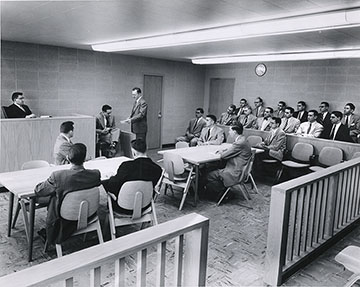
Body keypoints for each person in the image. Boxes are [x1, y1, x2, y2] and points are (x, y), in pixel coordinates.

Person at [35, 143, 101, 245]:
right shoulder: (95, 175)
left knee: (52, 197)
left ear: (68, 158)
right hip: (89, 215)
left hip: (64, 219)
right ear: (85, 158)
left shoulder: (58, 176)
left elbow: (39, 190)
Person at [102, 139, 162, 214]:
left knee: (107, 183)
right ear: (147, 148)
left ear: (133, 152)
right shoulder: (157, 169)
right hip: (145, 206)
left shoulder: (126, 166)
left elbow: (112, 186)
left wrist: (111, 178)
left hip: (122, 206)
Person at [205, 124, 252, 200]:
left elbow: (223, 156)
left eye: (230, 130)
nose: (229, 132)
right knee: (214, 167)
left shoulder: (239, 143)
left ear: (235, 131)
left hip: (234, 172)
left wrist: (222, 153)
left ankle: (222, 193)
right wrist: (223, 150)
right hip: (240, 170)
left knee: (209, 174)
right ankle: (222, 191)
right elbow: (233, 149)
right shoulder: (243, 139)